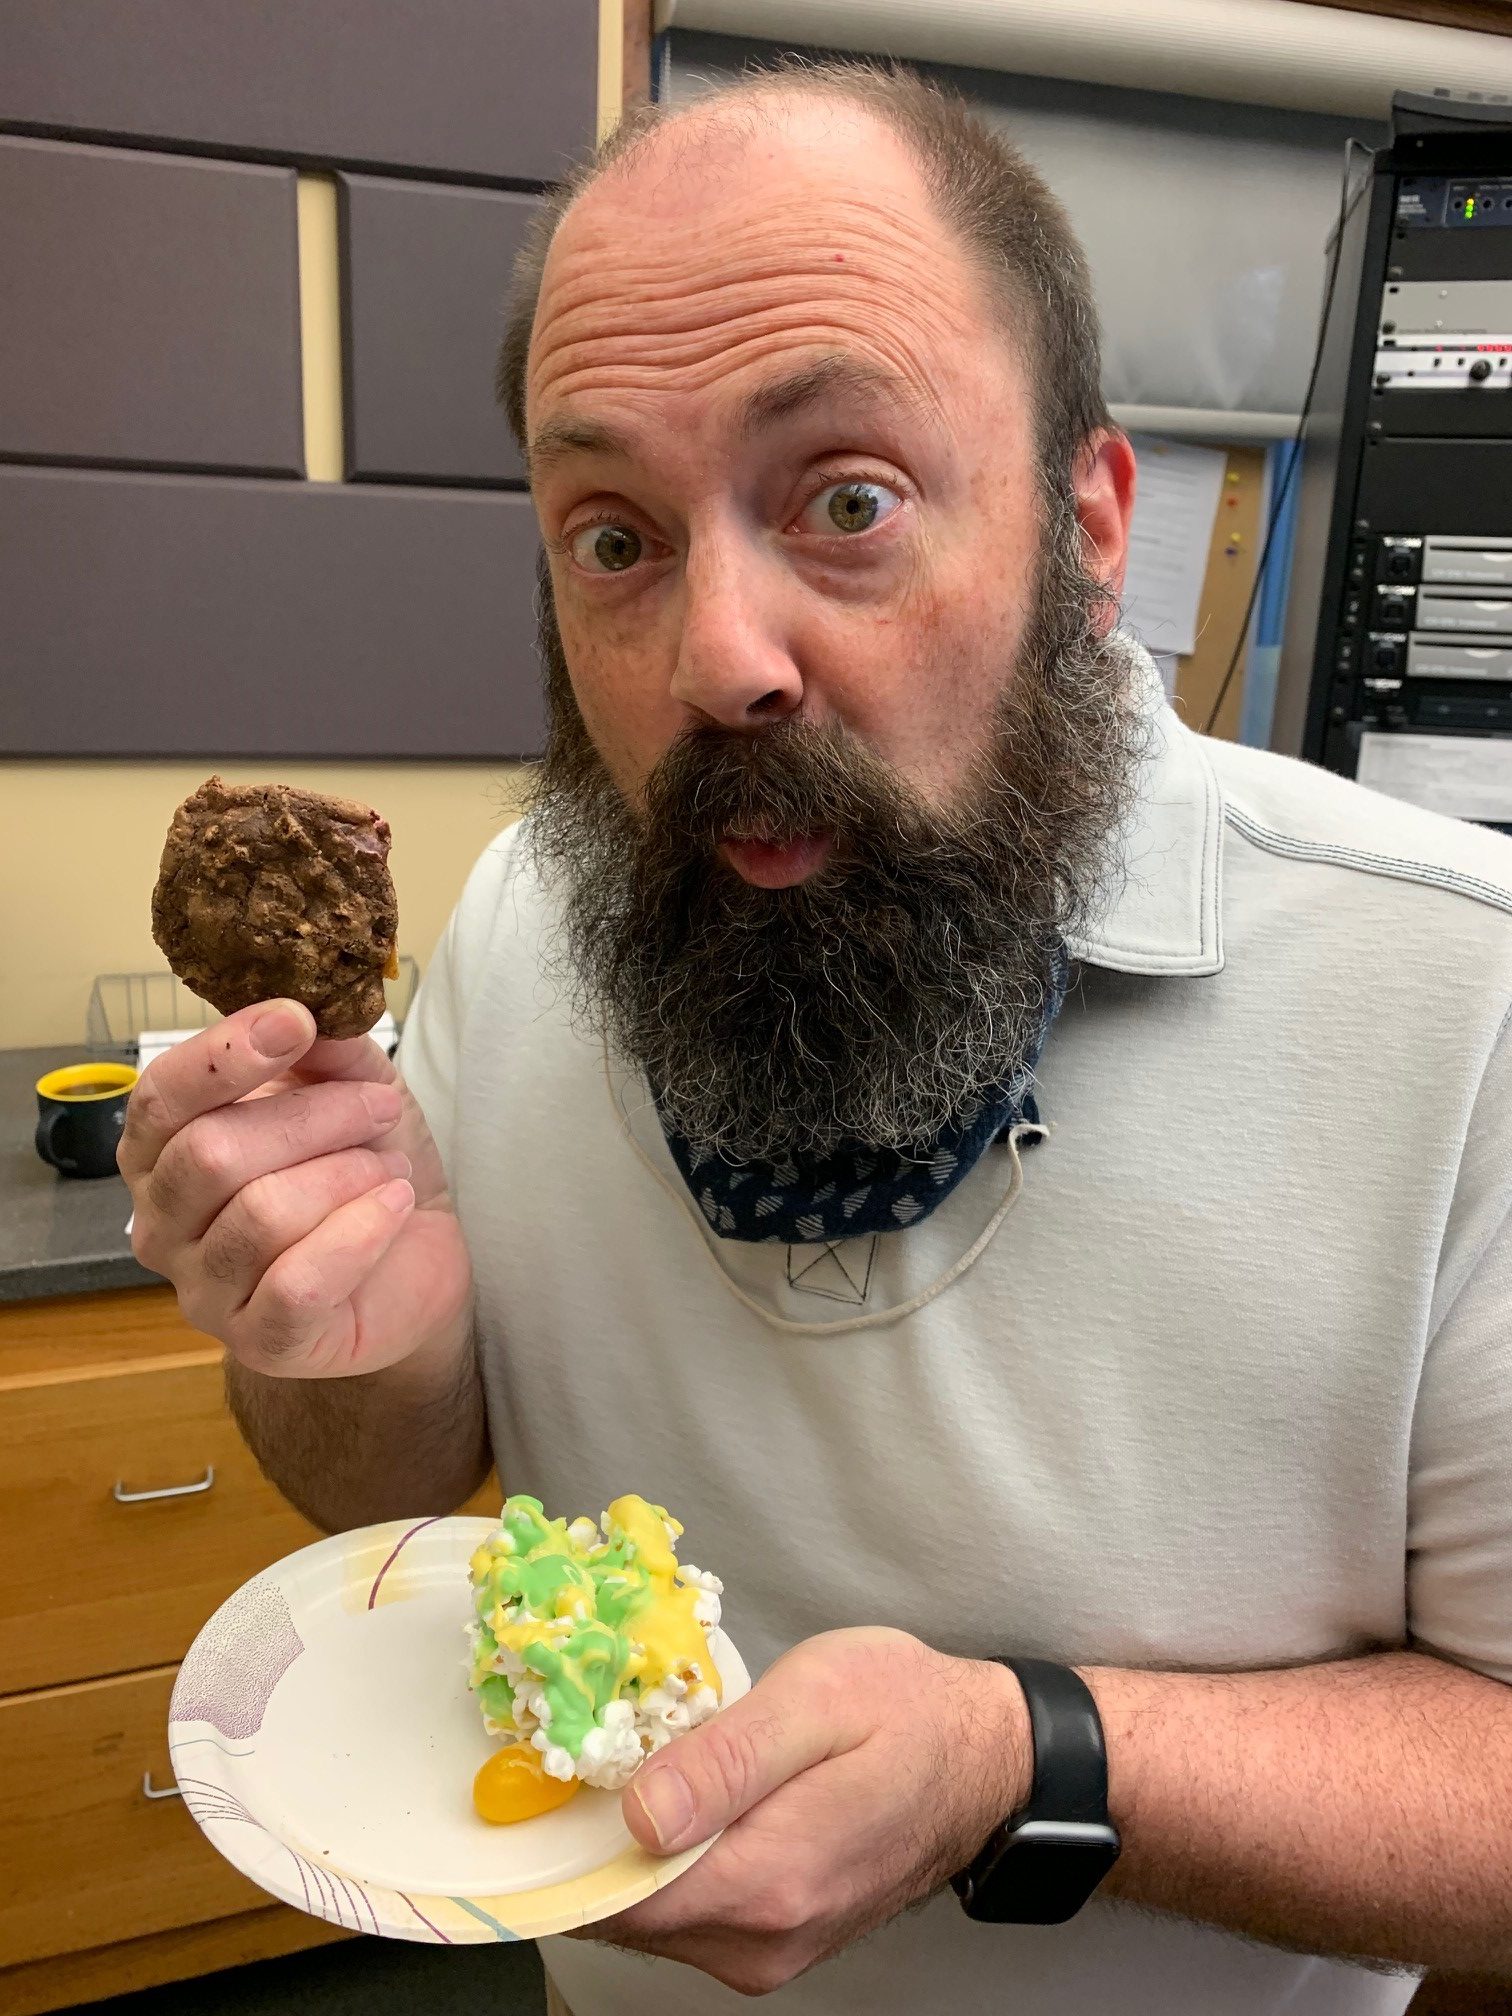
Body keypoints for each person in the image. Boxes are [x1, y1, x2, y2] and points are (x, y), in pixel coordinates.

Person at [118, 61, 1512, 2016]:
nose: (720, 659)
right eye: (615, 537)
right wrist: (369, 1350)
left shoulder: (1464, 998)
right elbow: (378, 1496)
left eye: (849, 500)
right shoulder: (523, 920)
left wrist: (1024, 1763)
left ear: (1090, 523)